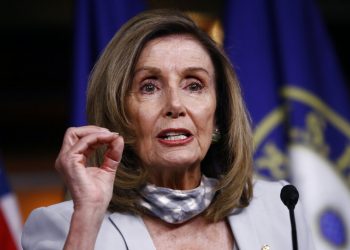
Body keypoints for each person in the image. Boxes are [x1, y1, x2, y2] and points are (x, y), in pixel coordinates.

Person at [21, 9, 315, 250]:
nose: (175, 104)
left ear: (219, 115)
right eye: (149, 86)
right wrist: (87, 216)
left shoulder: (280, 207)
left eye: (194, 85)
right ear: (119, 114)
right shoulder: (63, 225)